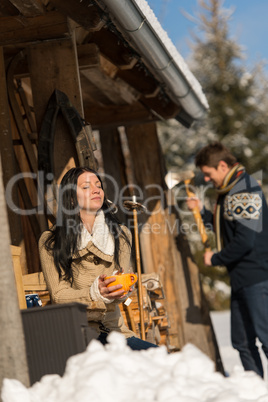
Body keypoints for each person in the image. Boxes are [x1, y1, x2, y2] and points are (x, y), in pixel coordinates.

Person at [39, 167, 157, 350]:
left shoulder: (121, 234)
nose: (96, 190)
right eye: (86, 187)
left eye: (98, 185)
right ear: (70, 197)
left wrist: (122, 290)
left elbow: (121, 283)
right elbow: (58, 295)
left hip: (116, 333)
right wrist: (95, 294)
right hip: (77, 333)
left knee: (163, 360)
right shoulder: (51, 240)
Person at [187, 142, 268, 377]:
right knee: (242, 342)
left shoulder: (244, 189)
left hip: (258, 277)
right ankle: (256, 391)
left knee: (266, 338)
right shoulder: (229, 191)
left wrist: (216, 258)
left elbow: (245, 241)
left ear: (222, 165)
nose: (207, 179)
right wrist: (201, 212)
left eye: (208, 173)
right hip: (241, 278)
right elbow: (226, 228)